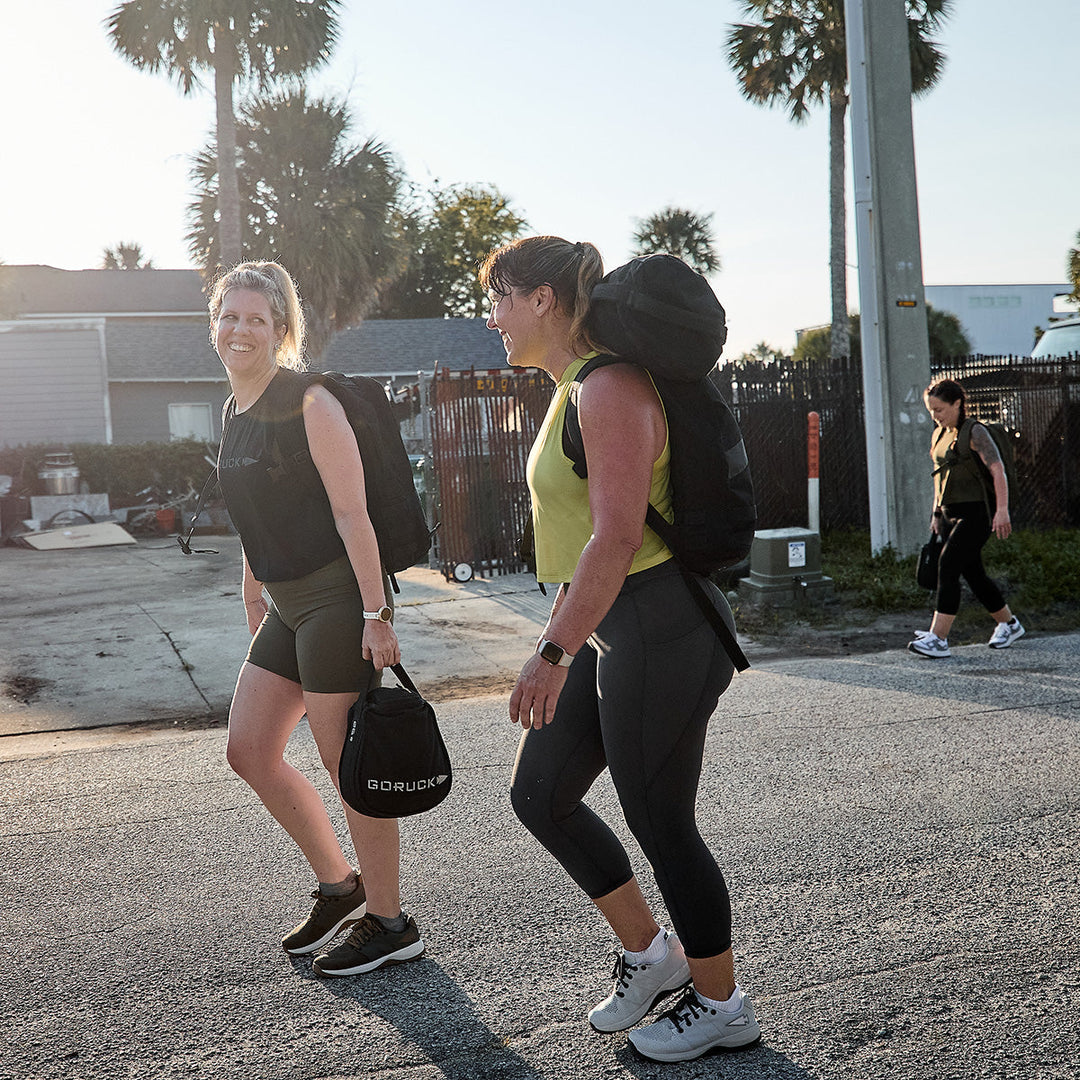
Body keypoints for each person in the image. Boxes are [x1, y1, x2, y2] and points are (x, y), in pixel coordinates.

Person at [481, 236, 760, 1063]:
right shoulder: (577, 385)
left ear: (543, 301)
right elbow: (583, 548)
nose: (490, 316)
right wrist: (564, 636)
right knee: (542, 794)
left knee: (662, 822)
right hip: (613, 619)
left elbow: (616, 537)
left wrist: (552, 654)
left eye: (499, 296)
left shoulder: (607, 386)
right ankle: (653, 955)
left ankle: (722, 1004)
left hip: (661, 624)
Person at [210, 261, 424, 976]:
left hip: (339, 598)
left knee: (348, 763)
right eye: (229, 316)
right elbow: (253, 514)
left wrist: (376, 613)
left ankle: (391, 921)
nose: (240, 330)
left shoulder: (311, 402)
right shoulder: (233, 410)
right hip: (287, 602)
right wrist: (251, 588)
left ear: (281, 330)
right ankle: (341, 885)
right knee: (249, 750)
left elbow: (350, 512)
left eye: (255, 319)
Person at [908, 379, 1024, 658]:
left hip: (977, 513)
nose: (935, 415)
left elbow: (998, 470)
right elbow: (940, 476)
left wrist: (1002, 510)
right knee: (974, 574)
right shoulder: (939, 434)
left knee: (947, 565)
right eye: (931, 410)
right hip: (949, 514)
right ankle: (1009, 624)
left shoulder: (975, 432)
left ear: (957, 403)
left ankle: (938, 639)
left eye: (940, 409)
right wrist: (936, 512)